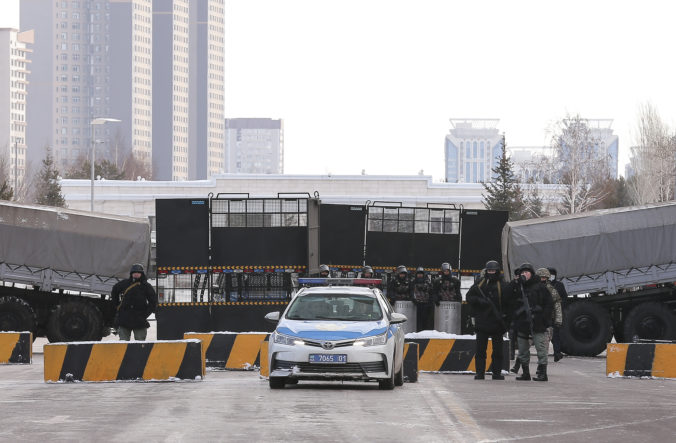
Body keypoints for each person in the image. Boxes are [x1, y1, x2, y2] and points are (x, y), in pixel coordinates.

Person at [466, 260, 514, 380]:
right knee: (480, 351)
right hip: (482, 323)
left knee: (497, 352)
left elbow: (509, 304)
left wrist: (506, 321)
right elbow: (469, 296)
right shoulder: (480, 283)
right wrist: (479, 301)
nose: (491, 273)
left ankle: (496, 373)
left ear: (497, 271)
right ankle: (480, 373)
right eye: (489, 271)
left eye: (493, 271)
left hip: (497, 324)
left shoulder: (503, 285)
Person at [512, 263, 553, 381]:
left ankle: (542, 373)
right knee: (523, 349)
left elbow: (549, 304)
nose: (524, 274)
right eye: (522, 273)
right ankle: (525, 373)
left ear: (532, 273)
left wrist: (543, 318)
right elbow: (509, 299)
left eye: (526, 272)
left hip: (538, 323)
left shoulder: (540, 287)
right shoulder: (518, 286)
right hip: (522, 323)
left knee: (541, 348)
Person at [111, 263, 157, 341]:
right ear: (131, 273)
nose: (136, 274)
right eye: (134, 272)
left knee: (140, 344)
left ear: (141, 274)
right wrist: (117, 305)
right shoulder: (125, 283)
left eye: (138, 272)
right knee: (123, 344)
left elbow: (153, 301)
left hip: (139, 320)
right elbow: (114, 290)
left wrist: (145, 314)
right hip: (124, 319)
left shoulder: (146, 286)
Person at [548, 267, 567, 362]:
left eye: (552, 274)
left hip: (556, 313)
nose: (551, 276)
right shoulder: (543, 285)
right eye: (549, 274)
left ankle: (557, 353)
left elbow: (564, 297)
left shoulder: (559, 285)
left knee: (556, 334)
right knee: (547, 334)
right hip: (546, 313)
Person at [412, 267, 434, 331]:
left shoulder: (428, 283)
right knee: (417, 320)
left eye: (421, 274)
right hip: (416, 305)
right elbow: (411, 292)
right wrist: (413, 300)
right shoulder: (413, 282)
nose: (420, 275)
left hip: (426, 304)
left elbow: (431, 293)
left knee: (425, 320)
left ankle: (425, 332)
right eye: (418, 274)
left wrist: (430, 303)